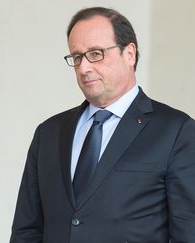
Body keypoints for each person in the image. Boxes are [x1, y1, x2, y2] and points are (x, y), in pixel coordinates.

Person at [10, 7, 195, 243]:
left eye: (95, 54)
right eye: (77, 57)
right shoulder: (49, 132)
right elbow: (27, 231)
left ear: (129, 53)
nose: (84, 68)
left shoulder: (176, 131)